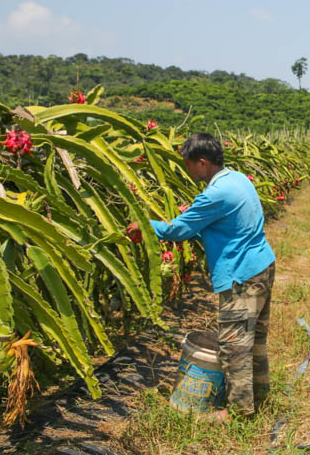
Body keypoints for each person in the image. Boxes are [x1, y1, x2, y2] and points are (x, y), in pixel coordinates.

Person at [125, 133, 275, 422]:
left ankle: (239, 412)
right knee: (254, 338)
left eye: (188, 164)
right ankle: (260, 393)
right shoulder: (239, 179)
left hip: (240, 273)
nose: (187, 169)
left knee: (234, 346)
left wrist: (146, 225)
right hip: (262, 265)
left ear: (202, 163)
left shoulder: (215, 194)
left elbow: (179, 231)